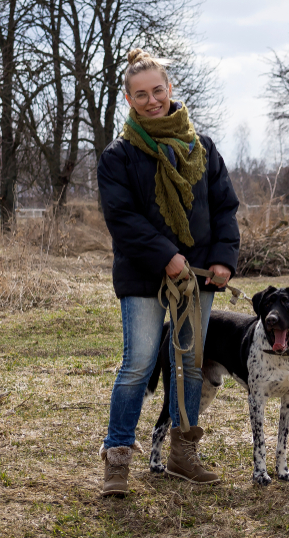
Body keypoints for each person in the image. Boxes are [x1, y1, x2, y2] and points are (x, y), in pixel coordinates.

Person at [97, 48, 240, 496]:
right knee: (137, 365)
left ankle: (183, 455)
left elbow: (224, 208)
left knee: (191, 366)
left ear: (170, 89)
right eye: (141, 94)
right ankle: (117, 461)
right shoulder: (118, 156)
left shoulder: (202, 147)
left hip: (197, 275)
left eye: (158, 90)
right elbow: (123, 219)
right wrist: (166, 256)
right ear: (128, 99)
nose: (152, 100)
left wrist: (222, 258)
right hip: (143, 274)